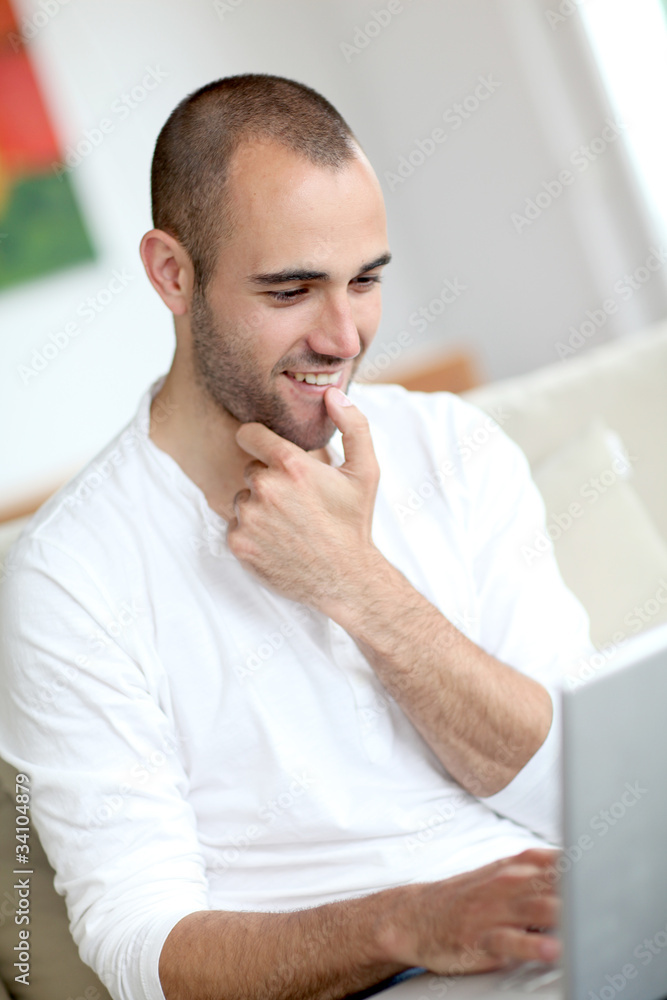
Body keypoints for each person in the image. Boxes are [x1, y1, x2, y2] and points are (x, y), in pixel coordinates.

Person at [0, 74, 593, 1000]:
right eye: (291, 289)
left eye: (365, 281)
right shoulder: (71, 573)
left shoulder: (454, 448)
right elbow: (140, 950)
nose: (343, 334)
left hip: (570, 936)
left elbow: (578, 793)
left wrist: (355, 583)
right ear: (172, 274)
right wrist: (412, 921)